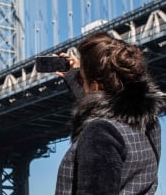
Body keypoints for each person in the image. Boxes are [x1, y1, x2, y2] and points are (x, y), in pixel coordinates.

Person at [54, 32, 165, 195]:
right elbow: (107, 106)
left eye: (82, 79)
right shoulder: (149, 123)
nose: (80, 81)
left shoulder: (99, 134)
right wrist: (74, 75)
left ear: (95, 86)